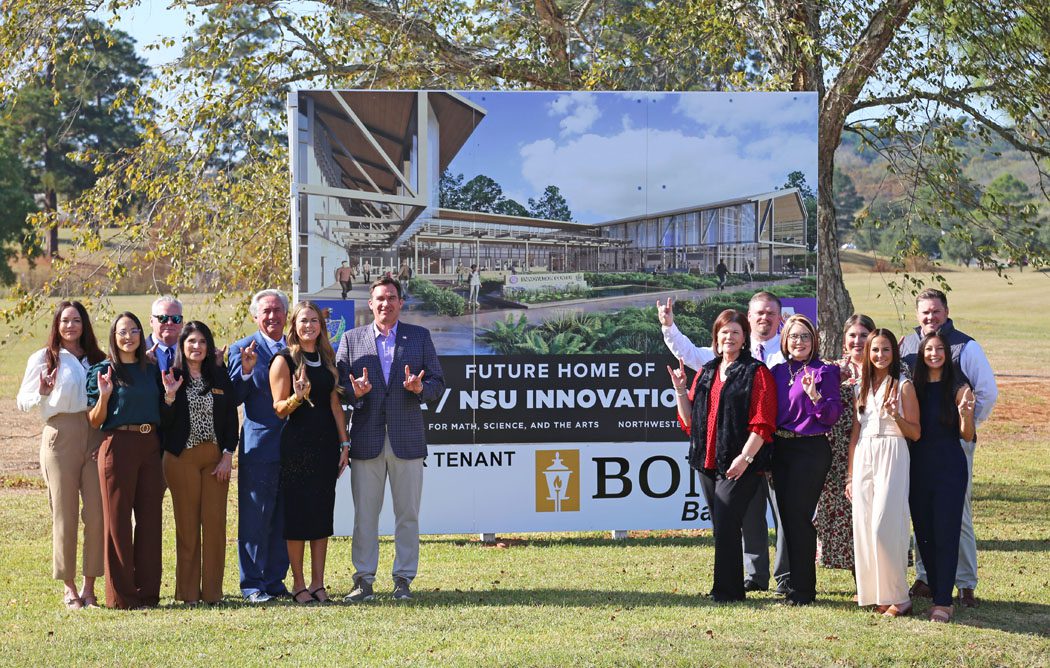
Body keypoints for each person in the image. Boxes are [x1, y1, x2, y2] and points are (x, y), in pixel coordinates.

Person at [336, 277, 445, 602]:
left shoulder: (419, 337)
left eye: (392, 298)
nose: (386, 303)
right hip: (366, 439)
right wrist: (354, 392)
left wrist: (420, 389)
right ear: (370, 304)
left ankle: (403, 580)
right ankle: (363, 580)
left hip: (407, 440)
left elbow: (438, 383)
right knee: (364, 516)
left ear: (401, 303)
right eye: (380, 298)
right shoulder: (351, 339)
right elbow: (338, 388)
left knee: (407, 515)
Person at [668, 309, 776, 602]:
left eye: (735, 332)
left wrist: (745, 458)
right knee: (721, 526)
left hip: (740, 463)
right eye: (724, 332)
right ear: (716, 337)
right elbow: (689, 421)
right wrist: (680, 391)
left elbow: (763, 422)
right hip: (707, 462)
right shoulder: (707, 371)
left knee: (728, 521)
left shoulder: (757, 372)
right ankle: (725, 588)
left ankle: (728, 592)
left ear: (744, 338)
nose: (729, 337)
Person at [900, 288, 997, 608]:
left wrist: (964, 426)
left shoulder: (966, 346)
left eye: (936, 311)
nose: (931, 317)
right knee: (923, 512)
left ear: (946, 312)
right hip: (917, 444)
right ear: (918, 315)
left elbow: (986, 393)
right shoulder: (907, 345)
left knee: (958, 515)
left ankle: (965, 582)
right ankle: (926, 577)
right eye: (925, 312)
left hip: (954, 444)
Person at [17, 301, 107, 609]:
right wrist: (41, 392)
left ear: (84, 325)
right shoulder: (44, 358)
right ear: (57, 325)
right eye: (65, 320)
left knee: (96, 514)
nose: (70, 326)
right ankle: (69, 588)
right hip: (60, 436)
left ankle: (90, 587)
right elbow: (22, 400)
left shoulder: (98, 358)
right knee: (64, 514)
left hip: (94, 433)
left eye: (76, 320)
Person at [269, 302, 350, 604]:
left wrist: (344, 444)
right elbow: (279, 409)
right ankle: (299, 585)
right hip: (297, 448)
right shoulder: (284, 360)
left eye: (314, 321)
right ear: (294, 325)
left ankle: (318, 583)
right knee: (298, 517)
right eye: (303, 321)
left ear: (321, 326)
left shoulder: (327, 358)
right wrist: (297, 397)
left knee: (321, 515)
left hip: (326, 446)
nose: (309, 326)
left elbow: (334, 405)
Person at [86, 312, 165, 609]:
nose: (128, 336)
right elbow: (95, 421)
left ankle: (148, 593)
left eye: (134, 330)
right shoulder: (103, 371)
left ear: (141, 334)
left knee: (150, 520)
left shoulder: (151, 369)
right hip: (118, 444)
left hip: (150, 445)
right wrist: (104, 396)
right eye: (122, 331)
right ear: (113, 336)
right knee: (117, 522)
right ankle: (122, 597)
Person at [158, 321, 238, 606]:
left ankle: (213, 594)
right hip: (181, 459)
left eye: (203, 341)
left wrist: (227, 455)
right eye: (191, 341)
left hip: (216, 460)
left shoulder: (219, 376)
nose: (197, 346)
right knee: (188, 527)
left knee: (215, 526)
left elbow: (231, 420)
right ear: (182, 345)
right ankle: (188, 593)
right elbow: (163, 423)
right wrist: (169, 396)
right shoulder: (172, 376)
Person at [846, 328, 920, 617]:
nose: (880, 355)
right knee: (864, 526)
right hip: (864, 454)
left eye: (886, 349)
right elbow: (855, 435)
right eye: (875, 349)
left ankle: (900, 597)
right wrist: (850, 475)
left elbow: (915, 433)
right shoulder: (860, 387)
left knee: (885, 525)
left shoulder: (903, 386)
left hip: (892, 452)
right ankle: (878, 593)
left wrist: (895, 415)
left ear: (894, 352)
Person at [769, 315, 842, 605]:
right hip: (781, 449)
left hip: (810, 450)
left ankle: (804, 590)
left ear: (814, 341)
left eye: (805, 336)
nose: (799, 342)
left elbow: (831, 416)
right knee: (787, 518)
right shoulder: (776, 372)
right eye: (794, 336)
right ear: (785, 340)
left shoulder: (825, 371)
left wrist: (814, 396)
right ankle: (792, 583)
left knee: (799, 517)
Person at [228, 289, 292, 603]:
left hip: (294, 447)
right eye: (266, 311)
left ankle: (275, 581)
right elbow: (232, 398)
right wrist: (247, 370)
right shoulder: (242, 349)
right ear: (255, 316)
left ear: (286, 314)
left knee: (284, 516)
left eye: (277, 310)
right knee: (256, 517)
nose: (272, 316)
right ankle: (252, 584)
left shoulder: (297, 348)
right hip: (260, 447)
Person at [909, 331, 975, 623]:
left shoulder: (959, 387)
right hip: (918, 467)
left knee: (946, 532)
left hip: (949, 467)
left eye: (939, 349)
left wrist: (966, 415)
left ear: (947, 354)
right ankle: (938, 591)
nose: (934, 354)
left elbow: (967, 435)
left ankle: (944, 603)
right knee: (924, 532)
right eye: (929, 349)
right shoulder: (914, 386)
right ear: (921, 353)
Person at [815, 314, 875, 576]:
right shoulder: (832, 369)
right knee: (845, 513)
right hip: (838, 452)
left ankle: (876, 573)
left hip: (873, 447)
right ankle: (857, 575)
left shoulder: (884, 366)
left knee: (873, 512)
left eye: (864, 335)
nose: (858, 341)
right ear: (844, 340)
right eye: (852, 335)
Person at [742, 291, 787, 594]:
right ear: (749, 317)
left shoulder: (788, 351)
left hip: (781, 444)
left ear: (779, 318)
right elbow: (692, 354)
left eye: (771, 313)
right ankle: (755, 575)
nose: (765, 318)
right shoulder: (736, 351)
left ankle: (786, 576)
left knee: (784, 514)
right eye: (759, 312)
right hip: (747, 445)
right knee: (750, 514)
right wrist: (669, 328)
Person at [145, 295, 184, 373]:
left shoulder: (190, 351)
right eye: (163, 318)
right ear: (151, 321)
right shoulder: (139, 351)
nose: (169, 323)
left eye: (176, 318)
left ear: (182, 322)